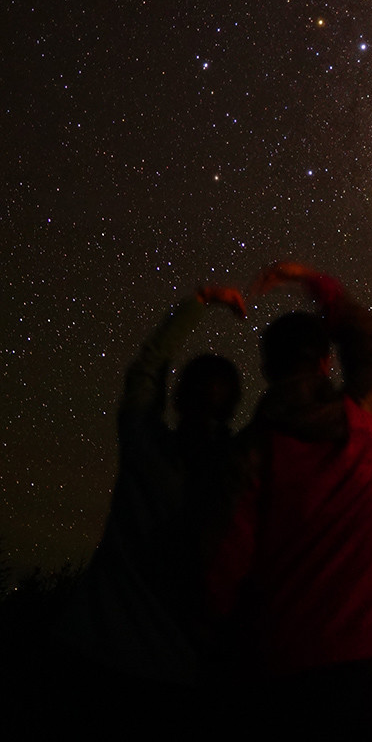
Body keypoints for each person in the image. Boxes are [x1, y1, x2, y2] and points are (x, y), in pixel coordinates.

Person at [208, 262, 372, 737]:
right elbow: (368, 341)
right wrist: (315, 282)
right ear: (326, 360)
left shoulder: (248, 452)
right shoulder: (366, 418)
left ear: (266, 369)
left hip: (283, 663)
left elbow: (222, 567)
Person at [57, 284, 245, 710]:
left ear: (177, 398)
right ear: (235, 406)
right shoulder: (238, 478)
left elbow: (146, 369)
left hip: (91, 643)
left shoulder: (144, 445)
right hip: (174, 669)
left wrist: (200, 299)